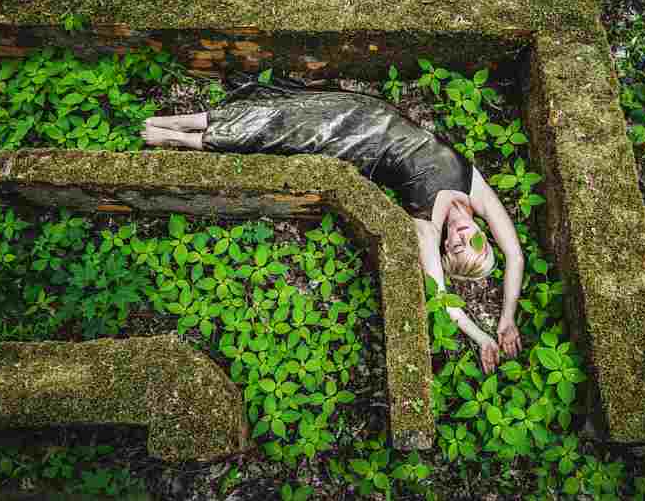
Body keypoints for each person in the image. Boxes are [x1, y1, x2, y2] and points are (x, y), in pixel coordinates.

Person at [141, 74, 524, 374]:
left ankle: (175, 138)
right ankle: (173, 122)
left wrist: (480, 336)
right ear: (484, 236)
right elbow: (516, 256)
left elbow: (442, 299)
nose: (460, 238)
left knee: (278, 132)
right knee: (282, 107)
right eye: (473, 243)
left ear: (445, 251)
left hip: (359, 146)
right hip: (373, 112)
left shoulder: (427, 225)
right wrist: (506, 318)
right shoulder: (475, 188)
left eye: (455, 249)